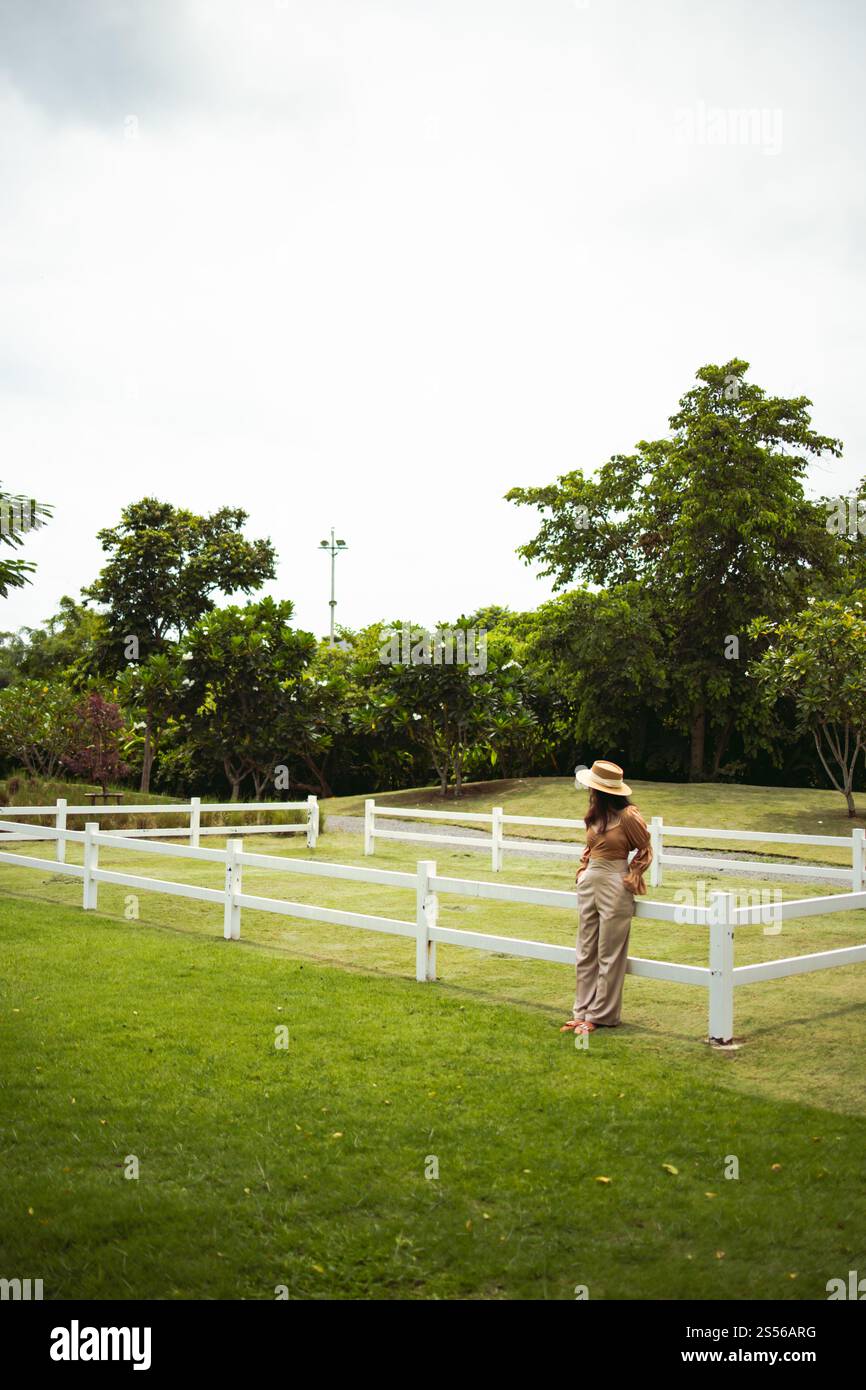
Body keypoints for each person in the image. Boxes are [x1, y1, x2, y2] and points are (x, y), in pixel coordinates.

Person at [560, 760, 652, 1035]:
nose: (589, 791)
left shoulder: (628, 817)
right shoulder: (595, 815)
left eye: (592, 788)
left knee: (609, 953)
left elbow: (645, 849)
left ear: (602, 791)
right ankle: (581, 1011)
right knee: (585, 950)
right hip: (590, 883)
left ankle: (601, 1015)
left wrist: (633, 875)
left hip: (615, 883)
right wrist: (583, 871)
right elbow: (589, 848)